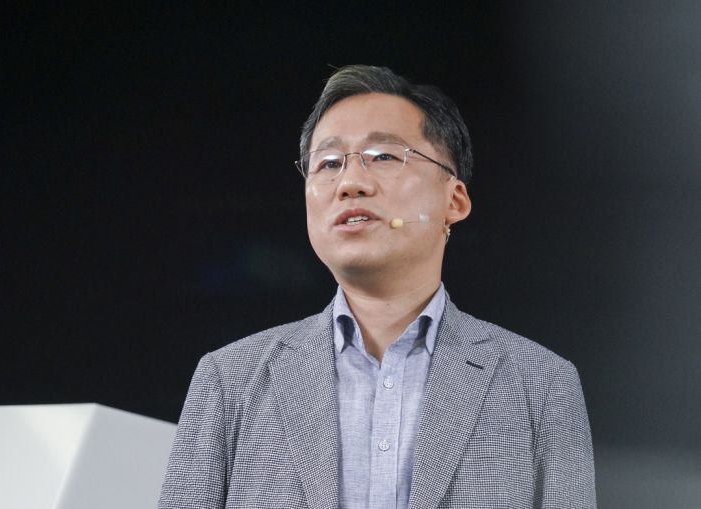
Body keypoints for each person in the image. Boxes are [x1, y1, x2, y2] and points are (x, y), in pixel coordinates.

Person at [158, 65, 596, 509]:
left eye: (384, 156)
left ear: (454, 200)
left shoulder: (540, 384)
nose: (350, 183)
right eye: (328, 164)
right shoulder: (229, 380)